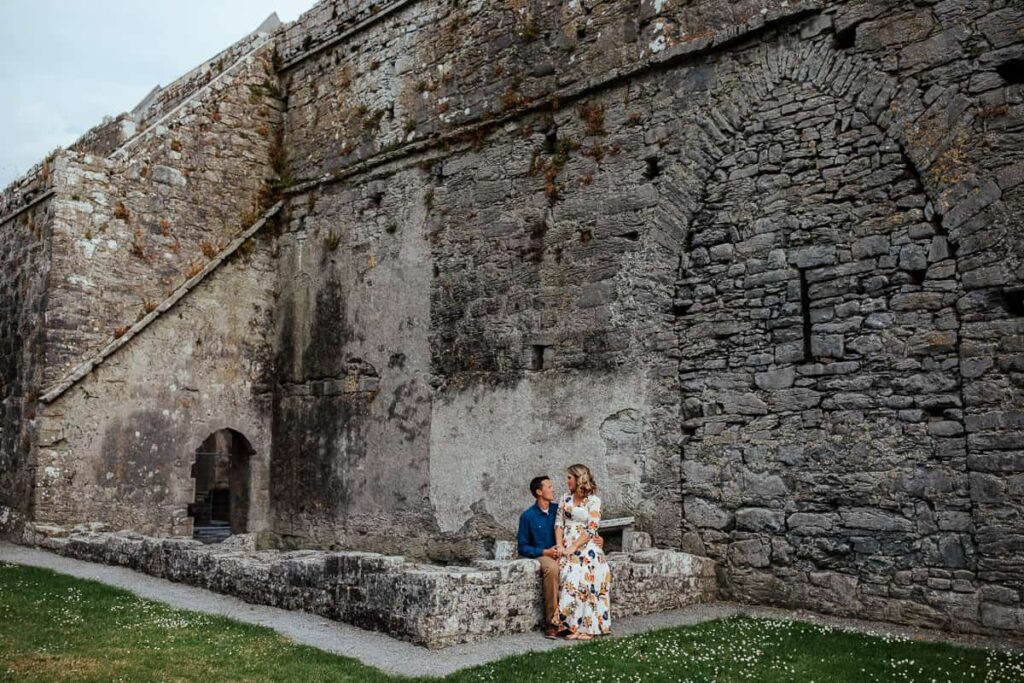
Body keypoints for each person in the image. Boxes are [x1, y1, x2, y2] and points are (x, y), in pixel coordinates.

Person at [517, 475, 603, 639]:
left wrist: (598, 538)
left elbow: (582, 523)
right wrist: (545, 552)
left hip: (564, 551)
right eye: (549, 487)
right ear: (539, 492)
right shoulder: (527, 516)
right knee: (553, 568)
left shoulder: (559, 508)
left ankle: (574, 621)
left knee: (579, 569)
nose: (553, 489)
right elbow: (522, 546)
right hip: (543, 554)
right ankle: (552, 623)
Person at [555, 463, 611, 640]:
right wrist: (560, 546)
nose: (567, 481)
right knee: (567, 576)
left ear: (579, 479)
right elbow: (558, 523)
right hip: (567, 543)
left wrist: (574, 546)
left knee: (585, 577)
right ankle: (571, 625)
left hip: (585, 545)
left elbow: (592, 527)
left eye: (569, 478)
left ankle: (588, 627)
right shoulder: (565, 498)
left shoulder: (594, 500)